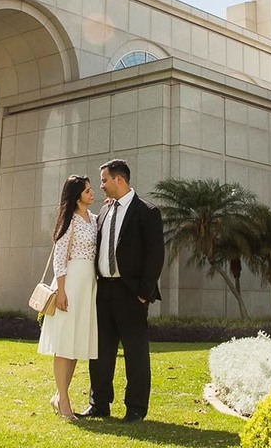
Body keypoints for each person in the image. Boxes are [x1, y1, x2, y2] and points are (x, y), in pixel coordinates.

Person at [79, 158, 164, 423]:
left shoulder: (147, 212)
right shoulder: (104, 211)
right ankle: (99, 404)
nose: (101, 186)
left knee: (135, 353)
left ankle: (136, 408)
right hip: (103, 291)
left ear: (119, 179)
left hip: (132, 294)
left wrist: (143, 293)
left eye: (104, 180)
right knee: (100, 352)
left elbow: (155, 255)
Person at [37, 174, 98, 421]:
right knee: (63, 345)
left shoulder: (94, 219)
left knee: (74, 345)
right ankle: (63, 400)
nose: (92, 193)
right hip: (69, 284)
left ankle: (58, 395)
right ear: (76, 197)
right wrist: (61, 291)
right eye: (87, 191)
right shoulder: (69, 220)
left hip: (88, 285)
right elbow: (59, 258)